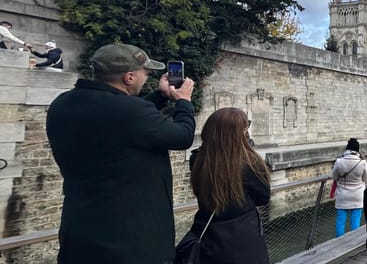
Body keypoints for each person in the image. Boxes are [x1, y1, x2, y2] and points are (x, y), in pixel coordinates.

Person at [46, 43, 195, 263]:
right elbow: (182, 137)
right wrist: (183, 102)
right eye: (145, 72)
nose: (147, 77)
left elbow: (120, 120)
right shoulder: (129, 112)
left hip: (79, 234)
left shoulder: (62, 104)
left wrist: (160, 96)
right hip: (129, 241)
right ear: (129, 78)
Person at [185, 107, 270, 263]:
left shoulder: (197, 159)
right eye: (245, 128)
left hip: (208, 235)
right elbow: (263, 198)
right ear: (238, 133)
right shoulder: (250, 164)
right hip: (243, 240)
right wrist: (249, 149)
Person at [332, 138, 367, 237]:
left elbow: (334, 177)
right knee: (355, 220)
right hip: (357, 195)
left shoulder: (339, 161)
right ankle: (354, 241)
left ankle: (339, 242)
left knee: (341, 221)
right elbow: (366, 178)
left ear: (347, 149)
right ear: (358, 150)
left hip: (342, 195)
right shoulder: (362, 163)